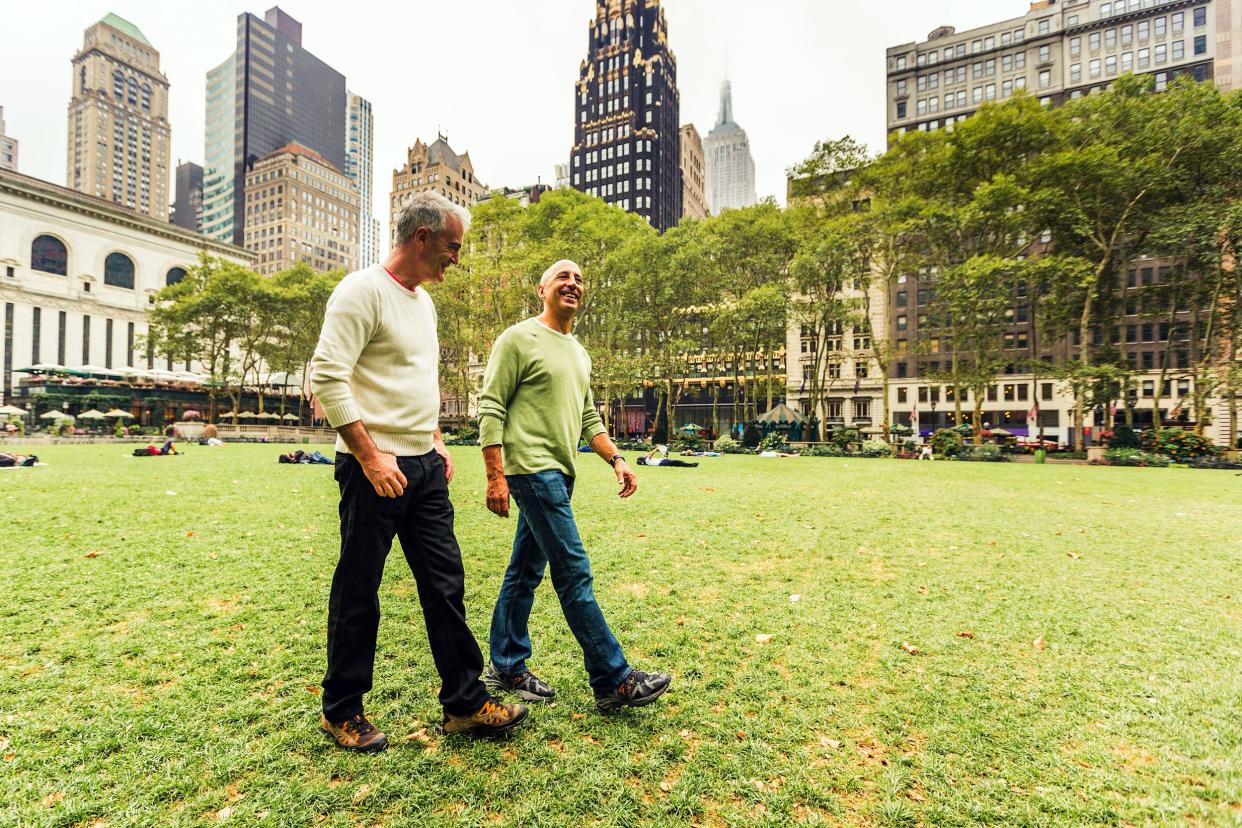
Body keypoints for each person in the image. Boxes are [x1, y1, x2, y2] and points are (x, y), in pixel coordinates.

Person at [309, 190, 526, 752]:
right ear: (422, 237)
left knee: (444, 584)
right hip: (373, 468)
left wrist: (433, 438)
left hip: (425, 468)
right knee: (359, 588)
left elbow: (418, 379)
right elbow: (328, 379)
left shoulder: (424, 303)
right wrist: (371, 456)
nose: (457, 257)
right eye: (453, 247)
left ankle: (465, 702)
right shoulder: (361, 291)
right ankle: (342, 710)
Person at [479, 258, 672, 713]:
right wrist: (494, 475)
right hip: (532, 470)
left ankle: (506, 664)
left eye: (579, 279)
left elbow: (589, 418)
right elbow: (491, 406)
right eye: (562, 277)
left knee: (525, 570)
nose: (572, 284)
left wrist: (617, 460)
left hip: (563, 474)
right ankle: (614, 678)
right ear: (541, 289)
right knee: (574, 571)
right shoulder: (518, 339)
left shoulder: (579, 352)